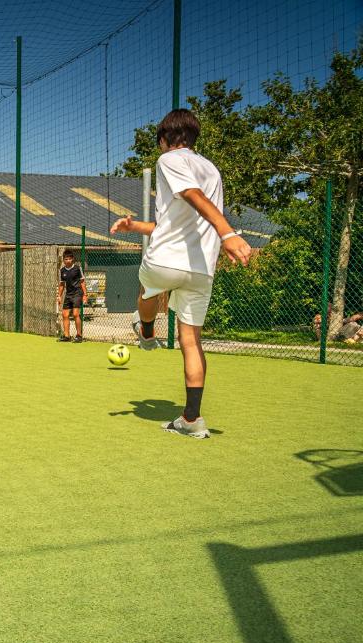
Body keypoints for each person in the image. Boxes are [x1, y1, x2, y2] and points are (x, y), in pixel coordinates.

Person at [111, 109, 252, 439]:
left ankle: (146, 332)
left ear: (164, 139)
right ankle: (191, 419)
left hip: (165, 261)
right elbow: (175, 223)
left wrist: (228, 233)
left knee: (147, 290)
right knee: (191, 341)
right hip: (201, 268)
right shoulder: (211, 169)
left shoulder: (169, 159)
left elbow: (192, 196)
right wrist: (135, 226)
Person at [56, 249, 87, 342]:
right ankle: (67, 336)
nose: (68, 261)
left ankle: (79, 336)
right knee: (64, 314)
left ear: (72, 259)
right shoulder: (62, 271)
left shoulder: (77, 268)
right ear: (63, 260)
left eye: (70, 259)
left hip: (77, 293)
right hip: (68, 294)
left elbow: (82, 282)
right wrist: (59, 296)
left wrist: (85, 295)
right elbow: (62, 284)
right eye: (66, 259)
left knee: (75, 314)